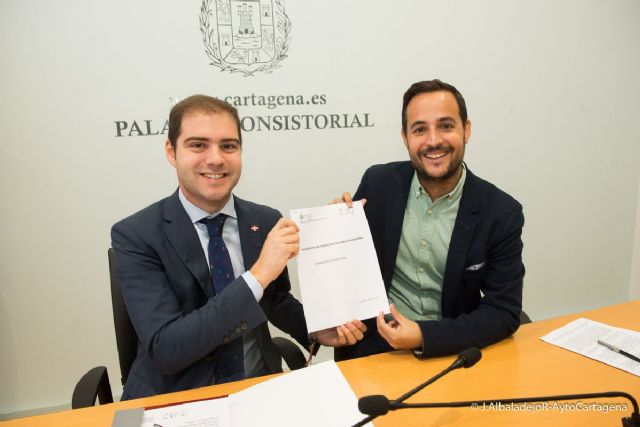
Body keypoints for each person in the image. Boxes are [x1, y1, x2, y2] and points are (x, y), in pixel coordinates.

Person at [112, 95, 365, 399]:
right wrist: (257, 275)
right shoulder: (136, 235)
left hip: (258, 389)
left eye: (228, 146)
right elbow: (168, 348)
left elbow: (274, 300)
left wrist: (317, 328)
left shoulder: (262, 219)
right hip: (177, 397)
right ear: (171, 151)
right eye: (198, 145)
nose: (216, 159)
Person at [333, 79, 524, 360]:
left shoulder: (501, 212)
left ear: (466, 130)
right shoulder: (378, 184)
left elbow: (504, 311)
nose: (433, 141)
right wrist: (335, 229)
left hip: (455, 351)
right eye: (420, 129)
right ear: (405, 137)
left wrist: (424, 336)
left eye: (446, 126)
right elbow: (350, 267)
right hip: (374, 348)